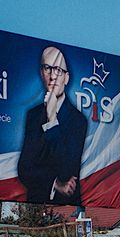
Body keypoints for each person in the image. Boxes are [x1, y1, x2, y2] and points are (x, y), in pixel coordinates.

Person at [17, 46, 88, 205]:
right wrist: (55, 183)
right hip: (34, 206)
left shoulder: (78, 120)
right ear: (41, 73)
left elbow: (66, 169)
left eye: (58, 69)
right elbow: (24, 168)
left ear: (66, 77)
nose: (53, 76)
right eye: (48, 68)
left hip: (67, 205)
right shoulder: (33, 115)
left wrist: (51, 121)